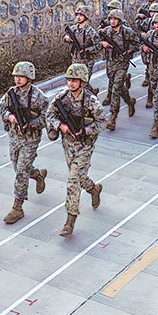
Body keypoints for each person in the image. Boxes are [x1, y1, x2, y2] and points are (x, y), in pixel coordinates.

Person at [46, 63, 106, 237]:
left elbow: (103, 122)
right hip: (68, 144)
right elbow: (49, 114)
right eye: (69, 80)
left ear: (82, 82)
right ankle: (93, 189)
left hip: (85, 145)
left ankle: (70, 221)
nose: (71, 83)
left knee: (73, 180)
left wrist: (86, 131)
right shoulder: (62, 97)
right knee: (79, 177)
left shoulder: (91, 101)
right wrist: (61, 125)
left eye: (75, 80)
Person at [0, 61, 49, 224]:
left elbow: (47, 117)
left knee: (21, 172)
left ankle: (17, 207)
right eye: (16, 76)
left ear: (29, 77)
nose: (18, 79)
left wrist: (31, 123)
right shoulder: (11, 93)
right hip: (14, 137)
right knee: (17, 166)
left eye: (21, 76)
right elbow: (0, 108)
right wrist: (10, 116)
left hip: (30, 139)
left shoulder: (39, 96)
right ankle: (38, 174)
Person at [100, 9, 139, 130]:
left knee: (116, 89)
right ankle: (130, 101)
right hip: (110, 62)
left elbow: (137, 44)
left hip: (122, 63)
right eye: (111, 19)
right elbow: (96, 40)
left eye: (114, 19)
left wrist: (130, 50)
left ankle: (113, 118)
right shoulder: (106, 31)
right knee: (118, 85)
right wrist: (102, 43)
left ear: (120, 21)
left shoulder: (127, 32)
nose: (112, 21)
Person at [64, 6, 101, 94]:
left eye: (81, 15)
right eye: (77, 15)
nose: (78, 17)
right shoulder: (73, 29)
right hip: (75, 60)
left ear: (86, 16)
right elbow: (64, 37)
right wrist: (66, 38)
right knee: (78, 84)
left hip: (87, 61)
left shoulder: (90, 31)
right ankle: (92, 93)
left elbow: (98, 46)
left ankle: (89, 98)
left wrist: (88, 49)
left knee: (83, 84)